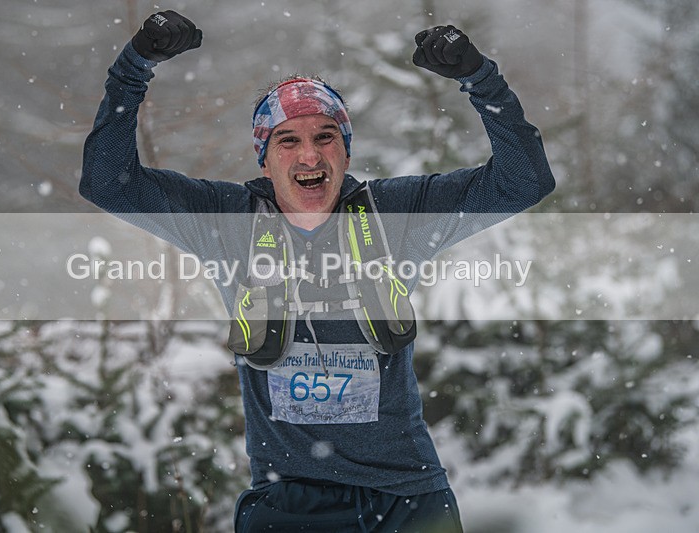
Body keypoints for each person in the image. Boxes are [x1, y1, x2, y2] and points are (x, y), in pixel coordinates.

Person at [81, 9, 555, 533]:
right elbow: (109, 183)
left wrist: (478, 77)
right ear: (264, 158)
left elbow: (524, 181)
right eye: (288, 140)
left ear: (346, 150)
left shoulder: (394, 216)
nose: (310, 155)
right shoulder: (229, 222)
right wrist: (135, 66)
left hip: (407, 499)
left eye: (326, 137)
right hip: (288, 503)